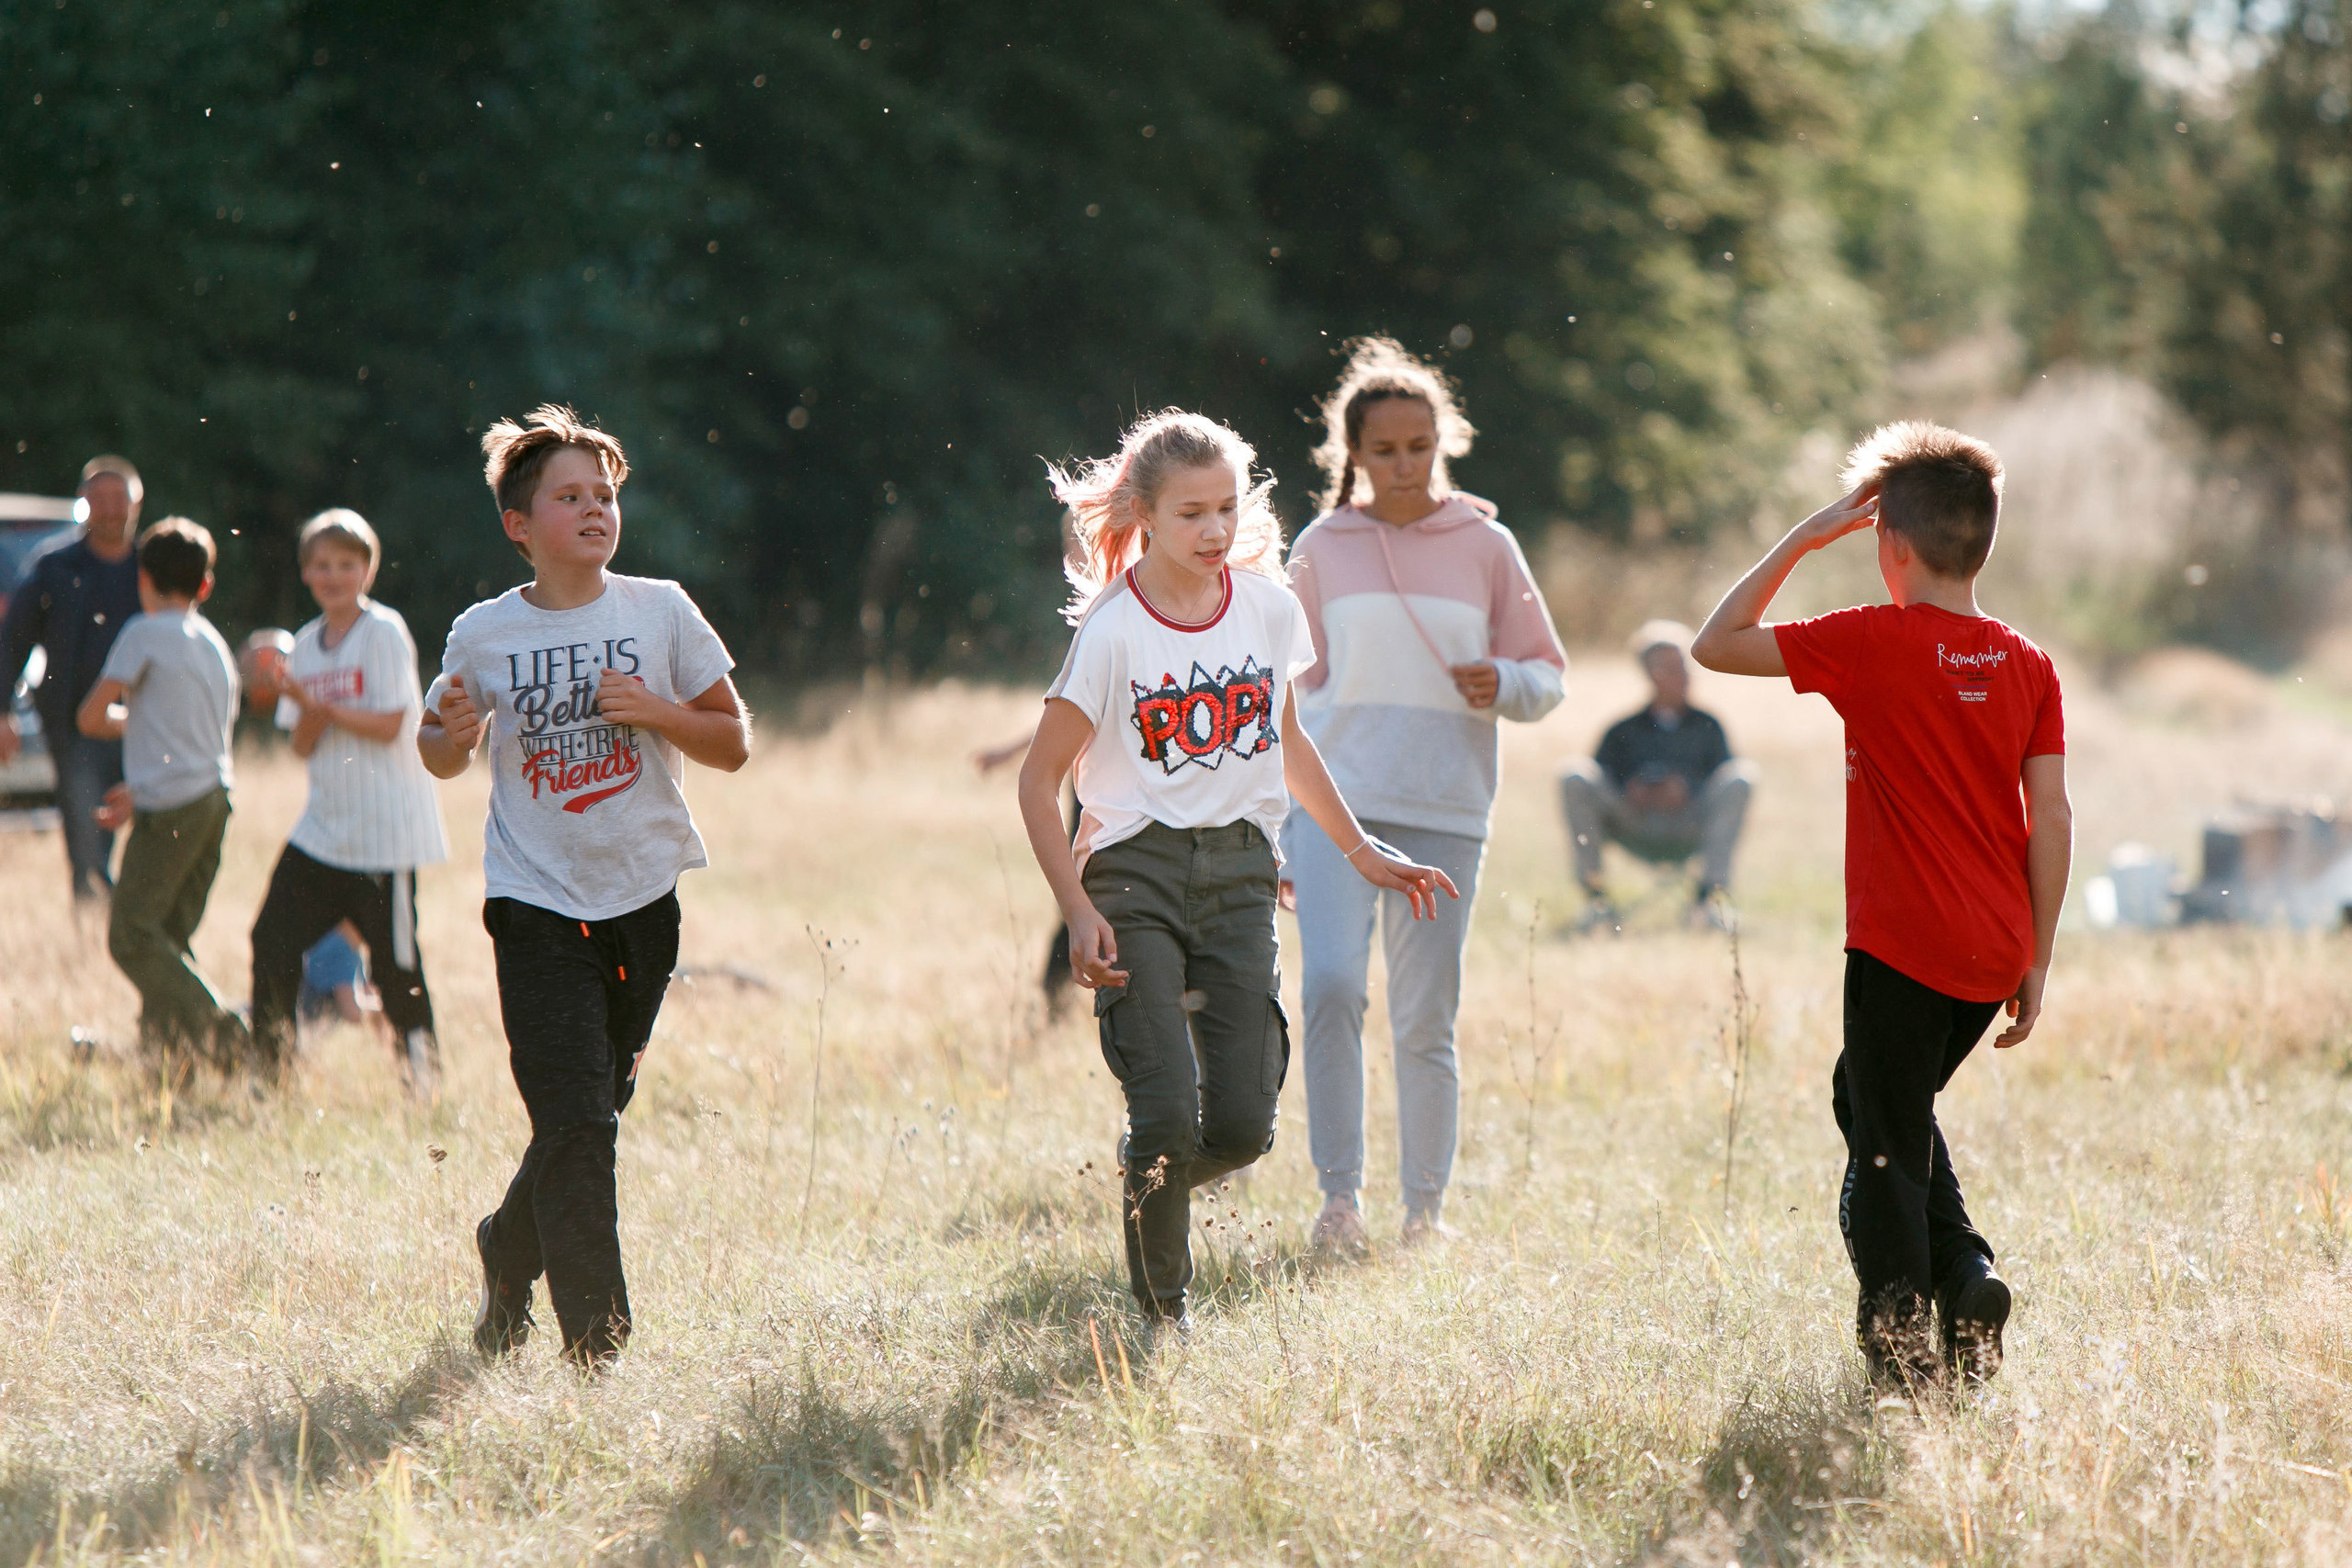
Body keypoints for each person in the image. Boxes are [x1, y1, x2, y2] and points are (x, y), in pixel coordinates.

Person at [1015, 409, 1457, 1344]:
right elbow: (1038, 777)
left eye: (1225, 508)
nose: (1213, 532)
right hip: (1135, 872)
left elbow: (1287, 742)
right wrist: (1076, 905)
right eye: (1189, 515)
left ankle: (1151, 1175)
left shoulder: (1266, 607)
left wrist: (1361, 850)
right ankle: (1163, 1314)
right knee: (1166, 1106)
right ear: (1143, 514)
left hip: (1244, 873)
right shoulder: (1113, 632)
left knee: (1245, 1126)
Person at [1690, 421, 2071, 1392]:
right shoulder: (2027, 662)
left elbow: (1713, 644)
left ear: (1885, 542)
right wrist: (2039, 956)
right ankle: (1964, 1276)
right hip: (1993, 950)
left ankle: (1905, 1346)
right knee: (1867, 1100)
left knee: (1886, 1144)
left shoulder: (1869, 638)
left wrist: (1803, 539)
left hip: (1903, 949)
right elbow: (2052, 813)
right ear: (1982, 539)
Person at [421, 404, 751, 1369]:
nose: (595, 509)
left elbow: (733, 742)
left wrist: (656, 711)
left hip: (644, 902)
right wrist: (449, 732)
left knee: (590, 1119)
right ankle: (597, 1350)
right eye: (569, 497)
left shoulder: (662, 611)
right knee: (572, 1119)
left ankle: (503, 1246)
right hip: (531, 900)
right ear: (520, 525)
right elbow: (438, 752)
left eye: (604, 494)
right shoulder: (483, 633)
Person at [1283, 338, 1566, 1255]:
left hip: (1444, 807)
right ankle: (1338, 1201)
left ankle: (1424, 1215)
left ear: (1443, 442)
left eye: (1419, 446)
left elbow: (1545, 675)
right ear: (1352, 456)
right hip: (1335, 806)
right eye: (1384, 450)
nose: (1404, 466)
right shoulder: (1321, 548)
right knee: (1328, 987)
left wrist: (1503, 684)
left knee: (1424, 1014)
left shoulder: (1488, 545)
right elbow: (1288, 693)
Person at [247, 510, 449, 1096]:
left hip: (385, 837)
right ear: (306, 572)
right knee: (271, 940)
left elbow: (390, 724)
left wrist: (318, 704)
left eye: (346, 565)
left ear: (367, 569)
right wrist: (304, 705)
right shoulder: (305, 645)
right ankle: (273, 1071)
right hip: (325, 832)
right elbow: (302, 745)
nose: (333, 576)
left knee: (395, 966)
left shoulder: (384, 632)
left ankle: (422, 1079)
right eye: (321, 565)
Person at [74, 518, 245, 1062]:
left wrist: (138, 725)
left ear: (141, 579)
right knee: (169, 936)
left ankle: (224, 1031)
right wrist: (146, 756)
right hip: (215, 800)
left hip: (171, 808)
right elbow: (193, 734)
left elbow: (92, 716)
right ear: (205, 586)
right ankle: (167, 1064)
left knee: (131, 937)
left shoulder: (143, 632)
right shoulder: (215, 645)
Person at [0, 457, 148, 906]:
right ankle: (92, 937)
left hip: (146, 729)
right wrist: (2, 711)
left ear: (136, 504)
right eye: (97, 499)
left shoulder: (153, 571)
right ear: (82, 504)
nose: (108, 510)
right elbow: (13, 643)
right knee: (87, 841)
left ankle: (135, 930)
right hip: (73, 729)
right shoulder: (54, 567)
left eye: (118, 499)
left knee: (153, 843)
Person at [1558, 621, 1757, 931]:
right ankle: (1595, 901)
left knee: (1742, 776)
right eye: (1669, 667)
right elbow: (1600, 778)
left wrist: (1685, 789)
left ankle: (1709, 903)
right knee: (1574, 775)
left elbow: (1724, 779)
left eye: (1684, 665)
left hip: (1689, 825)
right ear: (1649, 674)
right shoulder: (1622, 730)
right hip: (1633, 824)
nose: (1682, 674)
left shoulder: (1708, 726)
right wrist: (1631, 789)